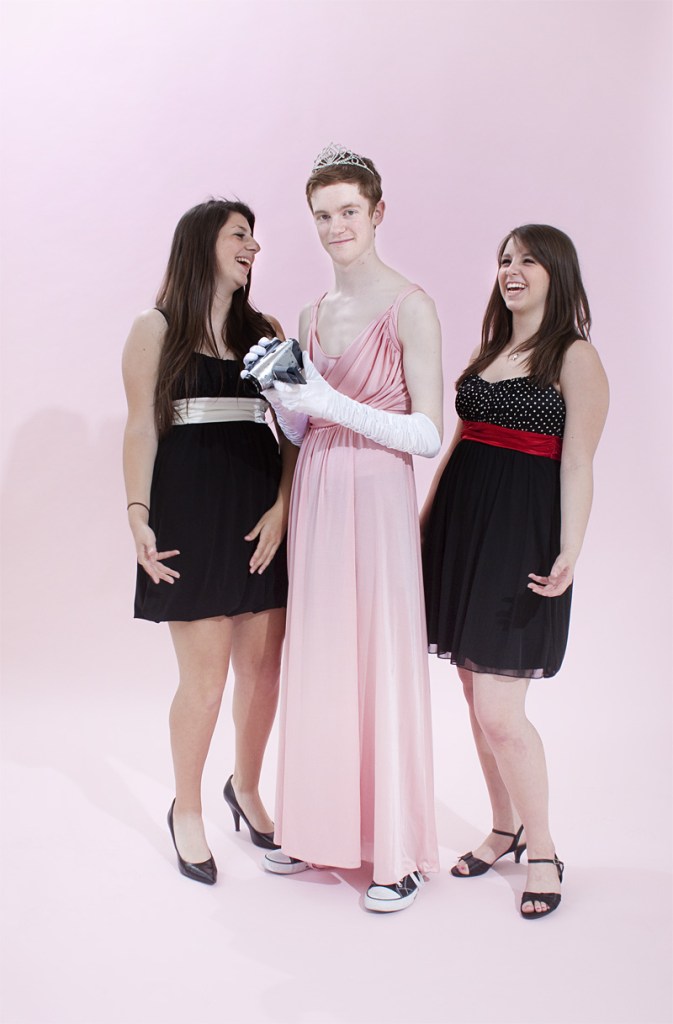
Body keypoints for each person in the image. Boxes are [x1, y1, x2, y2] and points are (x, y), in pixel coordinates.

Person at [250, 143, 443, 912]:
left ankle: (396, 855)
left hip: (378, 494)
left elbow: (426, 434)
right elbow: (303, 435)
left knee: (379, 655)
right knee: (324, 653)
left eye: (348, 213)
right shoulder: (309, 314)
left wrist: (327, 403)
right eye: (322, 216)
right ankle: (318, 830)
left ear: (377, 213)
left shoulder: (411, 305)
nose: (335, 227)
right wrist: (285, 401)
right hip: (322, 495)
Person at [421, 224, 609, 919]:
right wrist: (423, 526)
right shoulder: (492, 350)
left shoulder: (574, 356)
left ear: (556, 273)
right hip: (461, 538)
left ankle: (544, 851)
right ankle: (504, 828)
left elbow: (580, 461)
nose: (512, 270)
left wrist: (570, 547)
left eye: (527, 259)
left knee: (501, 713)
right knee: (474, 698)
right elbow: (459, 447)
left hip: (518, 543)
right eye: (504, 259)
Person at [122, 199, 297, 885]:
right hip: (190, 509)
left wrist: (284, 506)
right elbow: (142, 428)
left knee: (262, 670)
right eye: (239, 234)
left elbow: (293, 429)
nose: (253, 246)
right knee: (204, 680)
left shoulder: (268, 330)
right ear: (203, 242)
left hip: (260, 510)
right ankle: (186, 808)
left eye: (255, 237)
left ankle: (245, 789)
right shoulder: (155, 327)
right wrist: (136, 512)